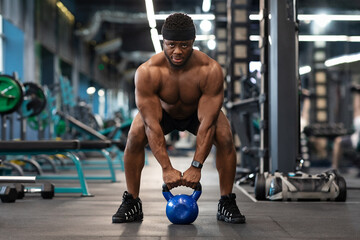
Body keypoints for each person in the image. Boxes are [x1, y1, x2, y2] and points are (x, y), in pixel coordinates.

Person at [112, 13, 246, 224]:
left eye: (184, 45)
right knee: (135, 134)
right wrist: (166, 168)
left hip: (196, 113)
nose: (177, 51)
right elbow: (151, 124)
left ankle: (226, 200)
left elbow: (208, 123)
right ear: (163, 41)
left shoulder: (210, 70)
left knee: (225, 135)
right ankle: (132, 201)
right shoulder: (148, 72)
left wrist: (196, 166)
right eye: (171, 44)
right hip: (162, 113)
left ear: (193, 42)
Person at [332, 88, 360, 170]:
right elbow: (356, 108)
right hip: (356, 139)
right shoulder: (358, 120)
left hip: (357, 141)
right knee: (338, 141)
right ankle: (335, 167)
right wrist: (357, 93)